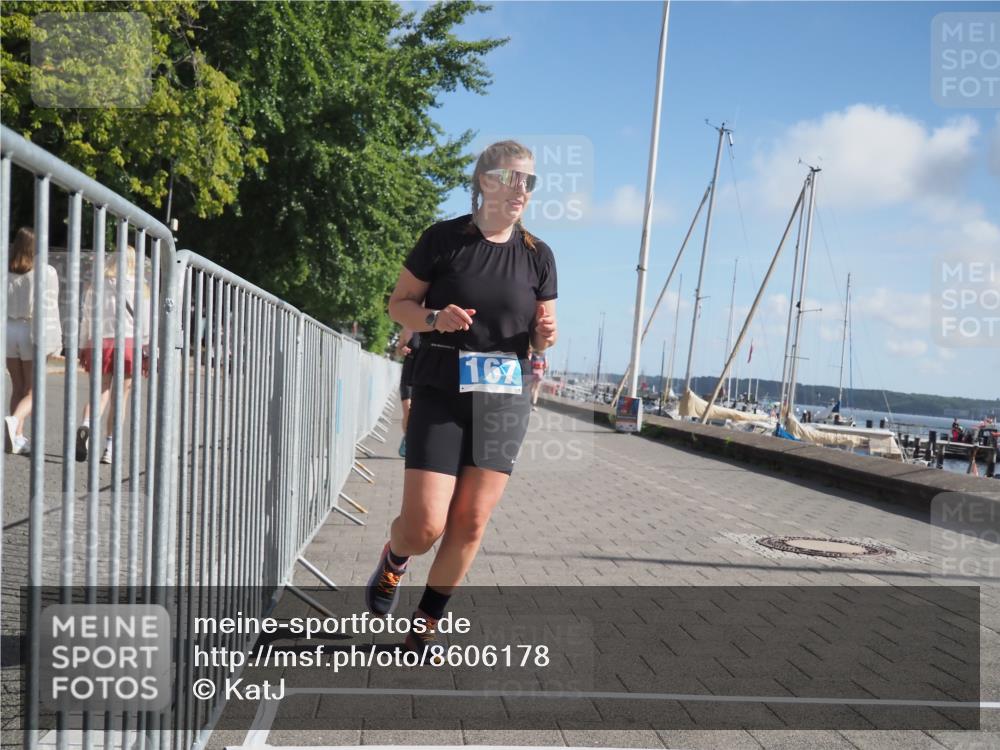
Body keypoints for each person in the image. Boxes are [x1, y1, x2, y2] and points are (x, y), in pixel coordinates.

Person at [365, 140, 557, 657]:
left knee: (471, 520)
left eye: (530, 182)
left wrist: (545, 334)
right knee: (425, 524)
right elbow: (398, 304)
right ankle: (395, 557)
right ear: (485, 181)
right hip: (441, 389)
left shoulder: (539, 256)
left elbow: (539, 338)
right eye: (513, 178)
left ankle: (425, 622)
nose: (522, 190)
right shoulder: (444, 240)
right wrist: (433, 318)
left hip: (503, 400)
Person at [75, 244, 150, 464]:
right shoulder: (141, 287)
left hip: (101, 341)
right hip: (128, 344)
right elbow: (145, 324)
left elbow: (87, 317)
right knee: (121, 398)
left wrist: (83, 345)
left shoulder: (97, 285)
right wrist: (146, 350)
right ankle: (110, 448)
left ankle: (87, 424)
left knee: (100, 392)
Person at [5, 227, 62, 455]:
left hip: (8, 329)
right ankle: (13, 421)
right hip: (31, 329)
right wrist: (55, 341)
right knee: (33, 390)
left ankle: (17, 436)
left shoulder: (4, 270)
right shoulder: (46, 272)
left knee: (17, 387)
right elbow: (50, 308)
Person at [395, 327, 421, 457]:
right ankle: (408, 441)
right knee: (408, 412)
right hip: (408, 376)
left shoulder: (435, 329)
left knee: (419, 415)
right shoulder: (408, 328)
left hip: (423, 378)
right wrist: (402, 350)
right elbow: (398, 350)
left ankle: (413, 442)